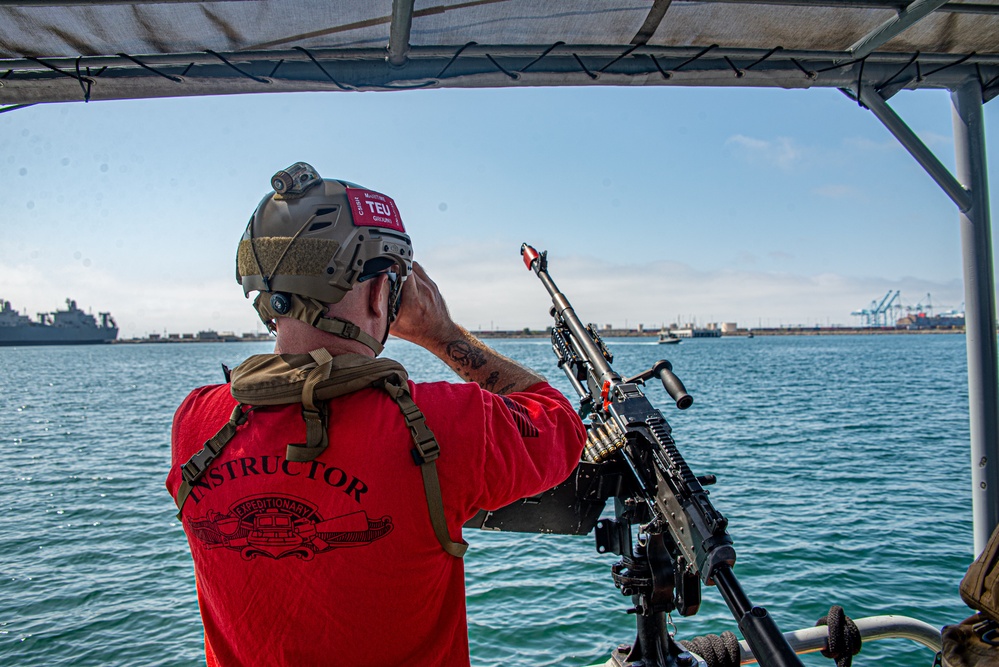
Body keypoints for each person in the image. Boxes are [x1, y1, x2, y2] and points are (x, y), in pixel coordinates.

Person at [165, 162, 586, 667]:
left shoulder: (196, 422)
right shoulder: (446, 425)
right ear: (377, 291)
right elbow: (560, 423)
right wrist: (440, 333)